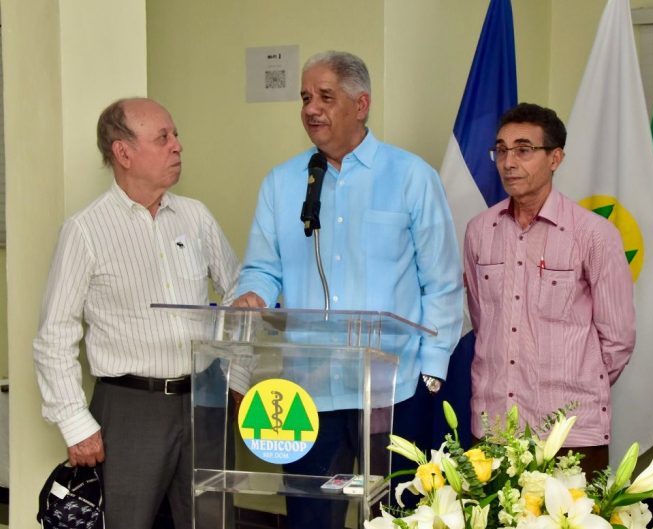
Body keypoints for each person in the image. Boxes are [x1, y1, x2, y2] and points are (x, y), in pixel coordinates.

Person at [232, 51, 463, 528]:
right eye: (305, 98)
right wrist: (253, 293)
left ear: (361, 104)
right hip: (307, 392)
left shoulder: (411, 177)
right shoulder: (281, 183)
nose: (311, 109)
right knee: (310, 518)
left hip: (394, 389)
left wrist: (432, 371)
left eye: (325, 97)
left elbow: (441, 281)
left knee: (399, 517)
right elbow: (262, 268)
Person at [33, 98, 240, 529]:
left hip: (203, 402)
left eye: (175, 134)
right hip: (130, 409)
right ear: (123, 152)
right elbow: (54, 335)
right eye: (163, 137)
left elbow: (239, 293)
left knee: (213, 520)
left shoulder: (196, 217)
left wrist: (236, 377)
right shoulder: (85, 231)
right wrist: (75, 424)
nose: (177, 145)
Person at [463, 103, 635, 477]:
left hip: (570, 432)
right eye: (501, 150)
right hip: (495, 428)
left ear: (555, 158)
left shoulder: (593, 234)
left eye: (523, 150)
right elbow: (483, 320)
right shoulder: (479, 231)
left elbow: (618, 339)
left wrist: (574, 382)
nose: (509, 162)